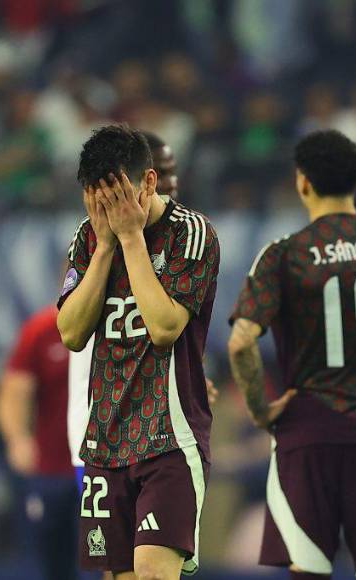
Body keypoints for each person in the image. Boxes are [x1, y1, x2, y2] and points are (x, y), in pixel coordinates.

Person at [228, 129, 356, 579]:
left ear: (302, 183)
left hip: (306, 434)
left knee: (309, 570)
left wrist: (261, 409)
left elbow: (241, 342)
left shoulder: (283, 254)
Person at [57, 124, 219, 579]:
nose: (107, 211)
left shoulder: (192, 233)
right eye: (97, 201)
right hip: (105, 441)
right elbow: (70, 332)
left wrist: (130, 239)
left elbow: (165, 327)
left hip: (169, 438)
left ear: (148, 182)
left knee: (151, 574)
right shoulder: (89, 237)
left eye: (118, 198)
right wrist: (107, 244)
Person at [0, 304, 78, 580]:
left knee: (109, 559)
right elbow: (13, 390)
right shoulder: (42, 329)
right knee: (49, 562)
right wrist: (18, 439)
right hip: (52, 470)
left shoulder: (119, 323)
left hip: (105, 470)